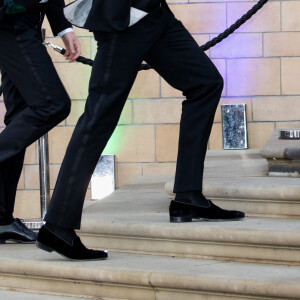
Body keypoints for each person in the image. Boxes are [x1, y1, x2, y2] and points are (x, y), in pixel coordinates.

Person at [36, 0, 245, 260]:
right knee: (98, 119)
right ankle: (58, 225)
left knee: (206, 83)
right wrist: (63, 27)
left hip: (155, 13)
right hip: (121, 20)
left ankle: (188, 195)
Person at [0, 0, 83, 245]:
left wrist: (63, 28)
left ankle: (2, 219)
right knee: (53, 104)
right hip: (10, 21)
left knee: (19, 117)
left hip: (25, 22)